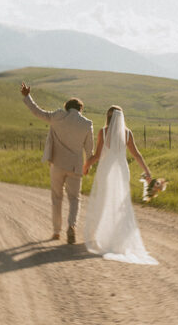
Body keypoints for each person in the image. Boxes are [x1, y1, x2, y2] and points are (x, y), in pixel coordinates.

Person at [81, 106, 158, 265]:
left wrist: (86, 166)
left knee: (104, 201)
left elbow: (97, 155)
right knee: (120, 205)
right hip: (122, 170)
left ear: (108, 117)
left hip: (107, 170)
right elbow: (136, 154)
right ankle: (118, 238)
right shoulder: (128, 133)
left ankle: (102, 236)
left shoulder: (103, 132)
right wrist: (147, 173)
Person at [21, 82, 95, 244]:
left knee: (56, 197)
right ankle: (72, 226)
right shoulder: (87, 124)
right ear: (80, 109)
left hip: (57, 164)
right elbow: (90, 150)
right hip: (75, 166)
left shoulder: (57, 116)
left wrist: (27, 96)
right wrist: (88, 165)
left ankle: (56, 231)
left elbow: (37, 112)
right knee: (75, 198)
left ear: (67, 107)